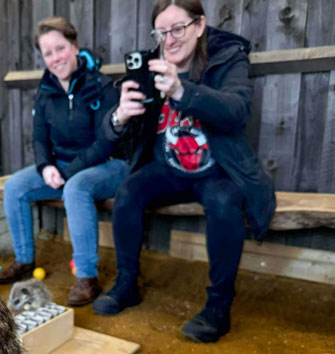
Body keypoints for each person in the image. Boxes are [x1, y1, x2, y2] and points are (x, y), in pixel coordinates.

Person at [91, 0, 276, 343]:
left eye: (178, 29)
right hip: (170, 169)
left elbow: (236, 110)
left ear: (200, 25)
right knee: (129, 190)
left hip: (218, 170)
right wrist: (120, 117)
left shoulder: (227, 57)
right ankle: (127, 283)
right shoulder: (149, 66)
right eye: (162, 32)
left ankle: (218, 307)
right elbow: (108, 132)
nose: (170, 39)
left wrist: (181, 89)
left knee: (223, 202)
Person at [0, 17, 127, 307]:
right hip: (64, 167)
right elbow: (40, 138)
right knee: (15, 186)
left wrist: (66, 172)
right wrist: (46, 167)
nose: (55, 58)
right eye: (48, 53)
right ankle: (24, 260)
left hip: (109, 164)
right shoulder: (46, 91)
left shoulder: (102, 87)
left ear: (75, 46)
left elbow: (105, 142)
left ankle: (86, 276)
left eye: (60, 48)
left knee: (76, 188)